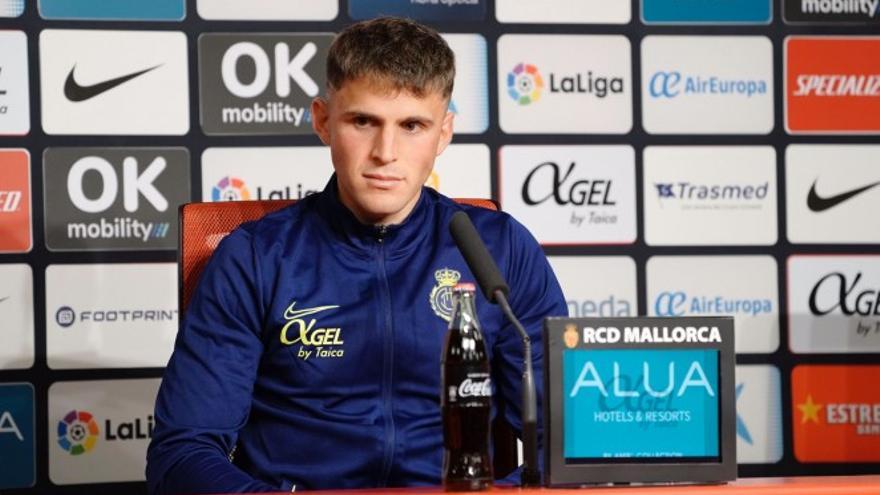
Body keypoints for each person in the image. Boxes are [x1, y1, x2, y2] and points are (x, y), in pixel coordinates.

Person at [146, 17, 566, 494]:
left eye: (413, 125)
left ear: (444, 133)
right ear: (323, 121)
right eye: (363, 121)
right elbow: (182, 453)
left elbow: (562, 439)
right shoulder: (254, 257)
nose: (385, 152)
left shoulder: (501, 250)